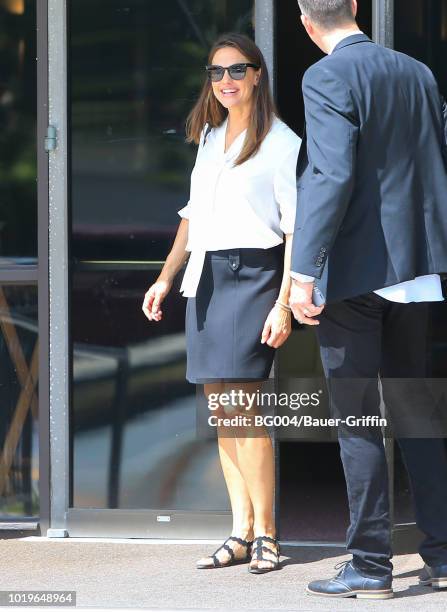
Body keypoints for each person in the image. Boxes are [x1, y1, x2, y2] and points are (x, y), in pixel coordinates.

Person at [289, 0, 447, 600]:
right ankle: (441, 554)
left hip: (357, 274)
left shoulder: (325, 74)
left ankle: (370, 565)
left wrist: (303, 271)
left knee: (357, 418)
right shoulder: (418, 72)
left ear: (307, 25)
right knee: (419, 413)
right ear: (354, 8)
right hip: (418, 270)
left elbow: (331, 174)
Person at [142, 33, 301, 574]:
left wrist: (283, 304)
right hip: (207, 276)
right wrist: (167, 277)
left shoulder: (282, 143)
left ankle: (269, 536)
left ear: (258, 74)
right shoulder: (209, 138)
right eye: (217, 72)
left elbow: (297, 231)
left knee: (246, 409)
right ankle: (240, 530)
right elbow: (191, 217)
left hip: (253, 274)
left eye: (237, 70)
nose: (226, 81)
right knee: (220, 411)